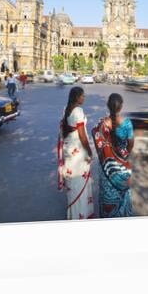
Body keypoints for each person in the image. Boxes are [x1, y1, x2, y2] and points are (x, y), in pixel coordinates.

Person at [91, 93, 134, 217]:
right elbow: (131, 144)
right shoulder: (127, 123)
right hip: (123, 166)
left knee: (107, 197)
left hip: (106, 169)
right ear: (120, 107)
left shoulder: (101, 124)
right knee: (123, 196)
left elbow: (96, 137)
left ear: (108, 106)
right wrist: (123, 156)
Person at [56, 86, 95, 220]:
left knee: (73, 183)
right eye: (82, 96)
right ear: (77, 97)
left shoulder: (66, 110)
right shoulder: (78, 111)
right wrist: (89, 151)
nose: (84, 98)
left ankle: (73, 213)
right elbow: (82, 136)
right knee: (79, 183)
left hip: (69, 150)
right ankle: (80, 215)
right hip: (78, 152)